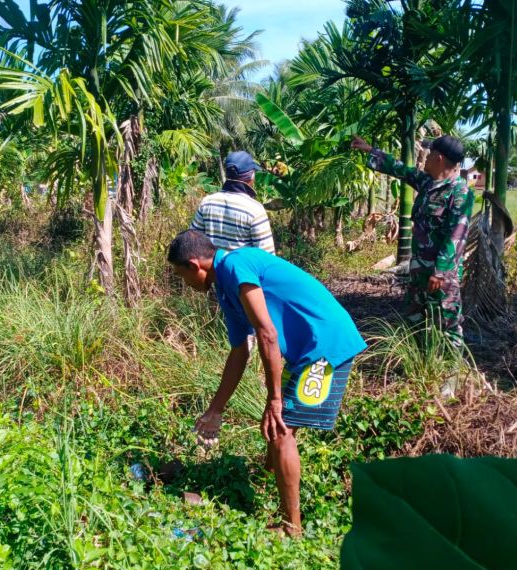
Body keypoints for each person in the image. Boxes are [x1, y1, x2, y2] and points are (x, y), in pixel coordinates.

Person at [167, 230, 367, 537]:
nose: (185, 283)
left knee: (280, 429)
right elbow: (239, 352)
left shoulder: (235, 265)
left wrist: (274, 399)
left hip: (324, 345)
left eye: (181, 276)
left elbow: (267, 334)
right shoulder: (225, 289)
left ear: (195, 266)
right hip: (304, 353)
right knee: (275, 426)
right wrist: (215, 409)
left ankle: (291, 528)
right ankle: (265, 488)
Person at [351, 134, 475, 351]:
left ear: (438, 158)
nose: (425, 157)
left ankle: (450, 367)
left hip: (441, 277)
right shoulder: (428, 182)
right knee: (413, 320)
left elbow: (456, 236)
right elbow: (400, 169)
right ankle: (419, 361)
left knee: (447, 325)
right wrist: (370, 150)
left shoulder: (459, 193)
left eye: (429, 153)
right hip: (419, 271)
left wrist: (440, 272)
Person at [190, 151, 275, 254]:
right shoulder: (255, 210)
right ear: (252, 176)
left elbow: (193, 241)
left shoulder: (207, 202)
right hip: (241, 265)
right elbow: (267, 255)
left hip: (213, 264)